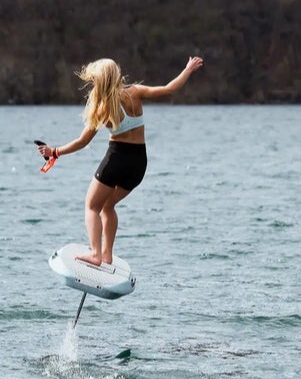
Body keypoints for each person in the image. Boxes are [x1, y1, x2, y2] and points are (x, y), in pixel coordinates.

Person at [38, 56, 204, 266]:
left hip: (116, 159)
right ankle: (107, 254)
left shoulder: (103, 107)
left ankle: (96, 254)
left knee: (91, 207)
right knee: (108, 206)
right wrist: (188, 69)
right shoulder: (135, 92)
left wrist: (55, 152)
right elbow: (169, 88)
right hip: (138, 163)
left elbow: (82, 141)